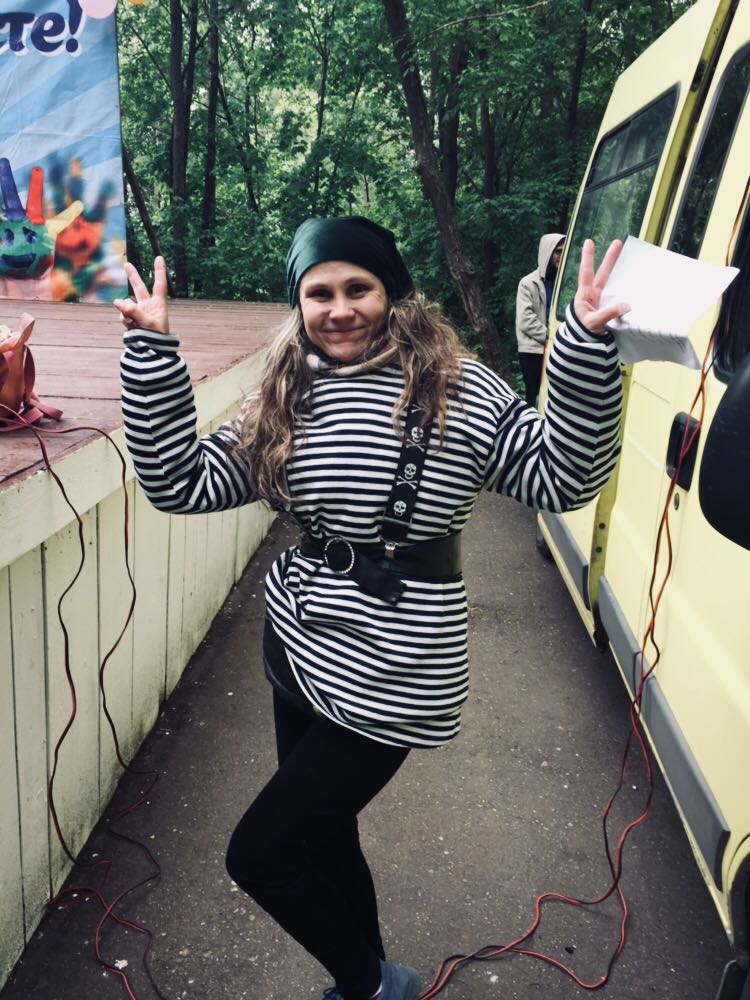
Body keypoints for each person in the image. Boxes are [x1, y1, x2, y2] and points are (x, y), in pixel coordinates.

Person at [114, 217, 627, 1000]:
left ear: (394, 295)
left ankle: (376, 985)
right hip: (300, 650)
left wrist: (587, 348)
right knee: (325, 835)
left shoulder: (461, 388)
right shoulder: (285, 391)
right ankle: (369, 984)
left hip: (397, 667)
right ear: (299, 304)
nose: (340, 308)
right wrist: (151, 353)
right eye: (319, 293)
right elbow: (181, 482)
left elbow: (563, 477)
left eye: (359, 288)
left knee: (261, 854)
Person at [515, 232, 565, 405]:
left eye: (563, 251)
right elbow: (525, 320)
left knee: (553, 394)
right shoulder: (528, 283)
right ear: (547, 252)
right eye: (557, 251)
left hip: (555, 348)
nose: (561, 256)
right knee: (533, 395)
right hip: (533, 350)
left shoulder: (562, 283)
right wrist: (549, 336)